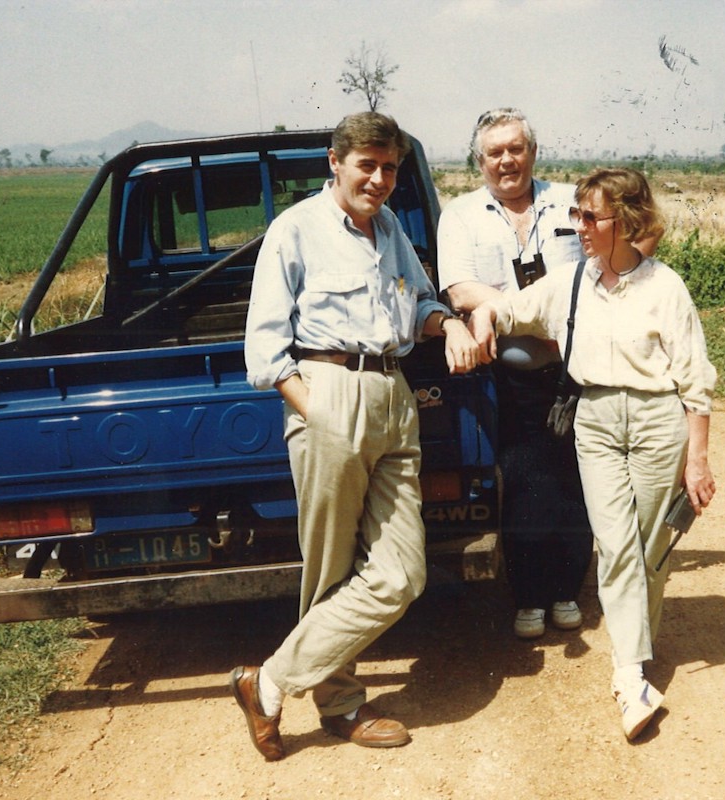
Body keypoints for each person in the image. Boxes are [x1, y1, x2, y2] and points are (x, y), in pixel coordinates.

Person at [233, 111, 480, 761]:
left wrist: (447, 326)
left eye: (390, 167)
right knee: (331, 568)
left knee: (402, 572)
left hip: (394, 395)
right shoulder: (296, 231)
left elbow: (421, 303)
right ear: (335, 163)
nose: (379, 178)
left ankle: (270, 680)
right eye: (366, 164)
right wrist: (314, 409)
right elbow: (264, 345)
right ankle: (340, 703)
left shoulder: (391, 228)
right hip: (329, 389)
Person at [467, 167, 716, 741]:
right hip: (595, 419)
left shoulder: (665, 287)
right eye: (576, 214)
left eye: (591, 216)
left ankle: (636, 639)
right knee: (615, 543)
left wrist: (697, 460)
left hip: (658, 421)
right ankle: (630, 676)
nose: (578, 226)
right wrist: (483, 315)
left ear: (626, 222)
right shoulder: (570, 282)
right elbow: (511, 310)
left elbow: (695, 383)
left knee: (652, 546)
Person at [438, 108, 656, 640]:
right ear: (480, 160)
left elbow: (628, 245)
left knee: (578, 477)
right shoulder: (461, 215)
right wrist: (541, 312)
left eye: (516, 148)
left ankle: (566, 589)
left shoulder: (570, 201)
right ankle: (529, 595)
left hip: (574, 370)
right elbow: (461, 291)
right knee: (522, 481)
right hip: (506, 377)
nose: (506, 160)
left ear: (533, 152)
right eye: (495, 152)